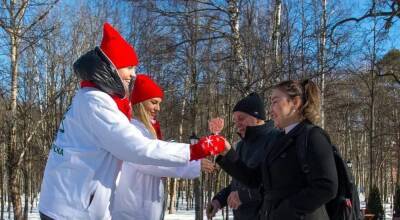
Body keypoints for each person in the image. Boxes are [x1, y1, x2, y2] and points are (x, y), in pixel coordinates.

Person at [38, 23, 225, 220]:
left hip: (73, 206)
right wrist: (193, 152)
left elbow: (146, 147)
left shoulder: (92, 98)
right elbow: (136, 148)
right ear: (111, 66)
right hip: (72, 209)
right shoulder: (95, 101)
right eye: (129, 67)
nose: (133, 74)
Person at [217, 80, 338, 220]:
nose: (270, 110)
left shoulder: (312, 136)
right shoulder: (279, 140)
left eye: (275, 101)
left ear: (295, 103)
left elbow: (326, 186)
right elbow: (255, 179)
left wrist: (285, 211)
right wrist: (227, 152)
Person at [111, 74, 215, 220]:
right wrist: (192, 160)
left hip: (145, 208)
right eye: (154, 102)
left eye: (159, 103)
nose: (158, 108)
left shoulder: (147, 130)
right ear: (140, 102)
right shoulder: (131, 130)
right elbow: (151, 160)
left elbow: (159, 153)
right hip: (132, 210)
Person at [206, 93, 280, 220]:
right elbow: (238, 184)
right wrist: (219, 200)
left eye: (241, 118)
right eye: (235, 121)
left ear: (257, 117)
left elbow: (275, 186)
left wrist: (244, 196)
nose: (237, 124)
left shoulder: (276, 139)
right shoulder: (241, 145)